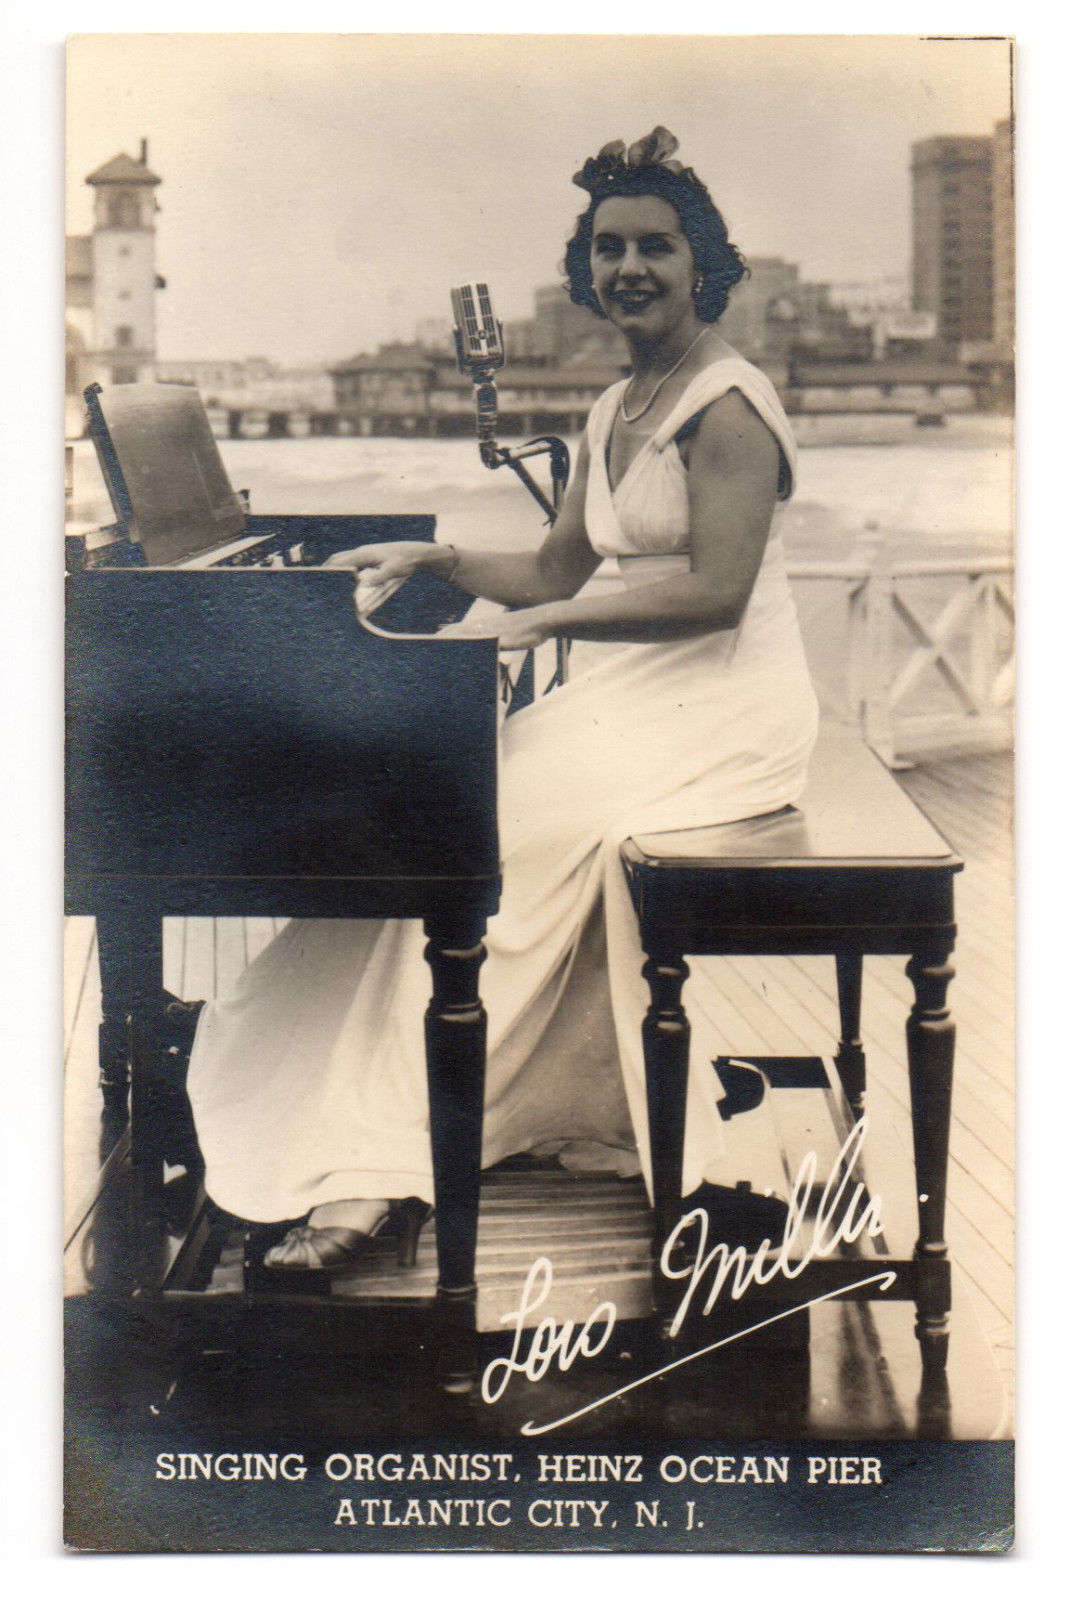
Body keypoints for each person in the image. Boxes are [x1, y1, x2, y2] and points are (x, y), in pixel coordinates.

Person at [186, 127, 820, 1272]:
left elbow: (717, 593)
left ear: (703, 265)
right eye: (608, 249)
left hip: (727, 710)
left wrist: (540, 627)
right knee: (440, 833)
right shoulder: (618, 400)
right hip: (636, 695)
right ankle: (335, 1093)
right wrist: (435, 563)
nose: (628, 269)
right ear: (587, 271)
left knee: (489, 850)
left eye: (656, 249)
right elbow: (552, 570)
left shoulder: (729, 402)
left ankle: (383, 1164)